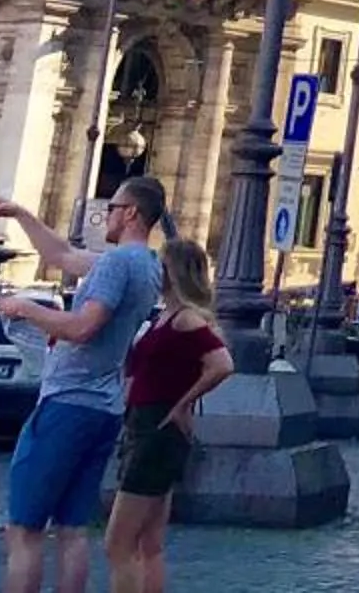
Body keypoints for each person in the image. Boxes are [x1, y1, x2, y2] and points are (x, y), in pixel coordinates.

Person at [0, 178, 167, 593]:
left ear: (131, 213)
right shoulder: (146, 265)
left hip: (69, 403)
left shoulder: (117, 264)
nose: (107, 214)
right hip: (104, 407)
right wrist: (21, 214)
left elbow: (84, 327)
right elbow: (61, 255)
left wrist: (24, 308)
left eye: (112, 206)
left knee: (24, 529)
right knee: (72, 528)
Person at [107, 237, 233, 593]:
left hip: (156, 426)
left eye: (159, 265)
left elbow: (222, 364)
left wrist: (182, 403)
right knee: (149, 542)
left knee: (119, 542)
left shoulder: (186, 319)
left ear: (171, 271)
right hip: (148, 422)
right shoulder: (166, 316)